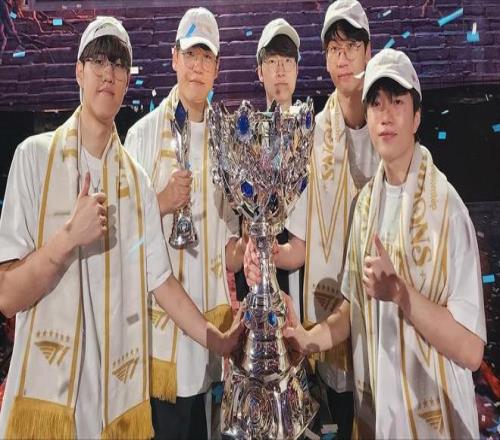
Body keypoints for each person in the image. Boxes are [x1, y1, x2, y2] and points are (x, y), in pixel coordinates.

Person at [0, 16, 241, 439]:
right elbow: (7, 297)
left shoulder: (136, 181)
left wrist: (216, 340)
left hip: (114, 404)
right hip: (49, 407)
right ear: (79, 70)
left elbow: (161, 281)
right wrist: (66, 241)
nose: (107, 74)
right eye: (97, 61)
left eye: (118, 65)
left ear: (127, 81)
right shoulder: (33, 159)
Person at [279, 48, 487, 438]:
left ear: (417, 116)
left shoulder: (447, 210)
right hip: (380, 420)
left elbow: (472, 350)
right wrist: (308, 339)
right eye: (375, 103)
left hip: (437, 424)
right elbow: (351, 309)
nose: (386, 115)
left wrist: (402, 295)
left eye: (397, 101)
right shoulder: (366, 205)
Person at [251, 1, 379, 437]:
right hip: (330, 321)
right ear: (324, 60)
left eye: (352, 46)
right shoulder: (312, 134)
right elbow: (300, 245)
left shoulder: (389, 126)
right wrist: (261, 253)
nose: (343, 59)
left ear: (368, 51)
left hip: (386, 319)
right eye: (334, 49)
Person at [124, 7, 245, 440]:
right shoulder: (141, 136)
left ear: (217, 68)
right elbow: (122, 239)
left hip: (211, 330)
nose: (197, 66)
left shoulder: (228, 139)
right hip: (161, 331)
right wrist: (160, 202)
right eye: (190, 54)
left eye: (206, 57)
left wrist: (249, 250)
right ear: (174, 58)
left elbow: (228, 243)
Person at [234, 17, 301, 302]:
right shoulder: (244, 139)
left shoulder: (314, 132)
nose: (280, 70)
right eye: (272, 61)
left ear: (297, 69)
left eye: (287, 61)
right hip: (257, 276)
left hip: (303, 276)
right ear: (260, 71)